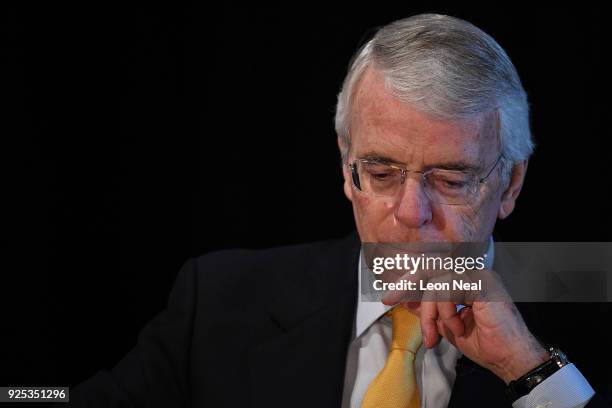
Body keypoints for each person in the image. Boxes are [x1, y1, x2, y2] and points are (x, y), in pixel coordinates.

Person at [69, 13, 607, 407]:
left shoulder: (589, 303)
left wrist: (530, 370)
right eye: (381, 173)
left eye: (450, 178)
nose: (409, 211)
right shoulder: (220, 298)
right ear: (346, 171)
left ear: (511, 184)